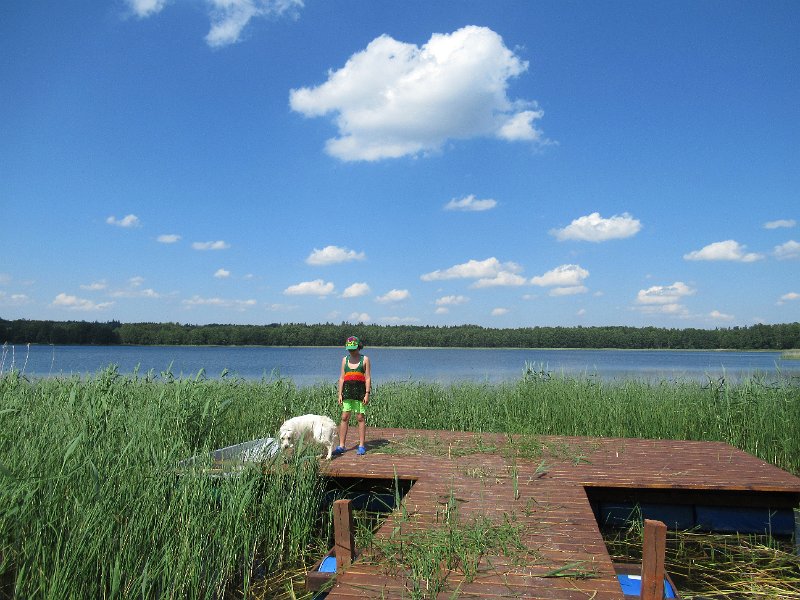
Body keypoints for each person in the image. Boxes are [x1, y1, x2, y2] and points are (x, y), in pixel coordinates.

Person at [333, 335, 371, 456]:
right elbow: (342, 378)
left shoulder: (365, 359)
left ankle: (361, 445)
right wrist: (339, 394)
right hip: (347, 392)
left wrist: (367, 393)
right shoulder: (345, 360)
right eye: (349, 349)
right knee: (344, 417)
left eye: (353, 349)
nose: (351, 351)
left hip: (360, 393)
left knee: (360, 417)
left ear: (359, 347)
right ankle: (341, 445)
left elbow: (368, 378)